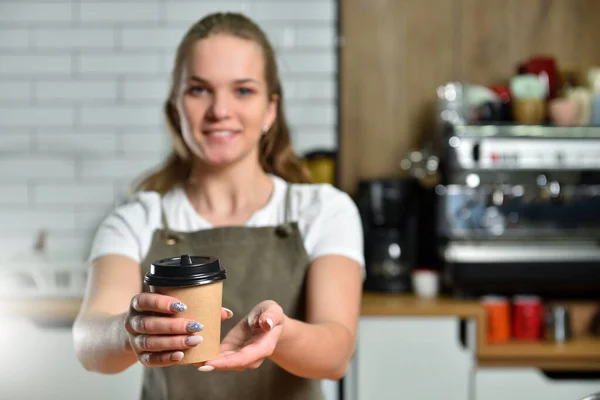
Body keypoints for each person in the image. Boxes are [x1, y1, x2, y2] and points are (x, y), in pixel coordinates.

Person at [72, 11, 364, 400]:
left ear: (271, 109)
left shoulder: (324, 210)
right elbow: (89, 342)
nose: (219, 110)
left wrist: (278, 332)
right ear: (176, 107)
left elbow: (336, 354)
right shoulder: (136, 219)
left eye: (243, 90)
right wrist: (129, 330)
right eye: (198, 90)